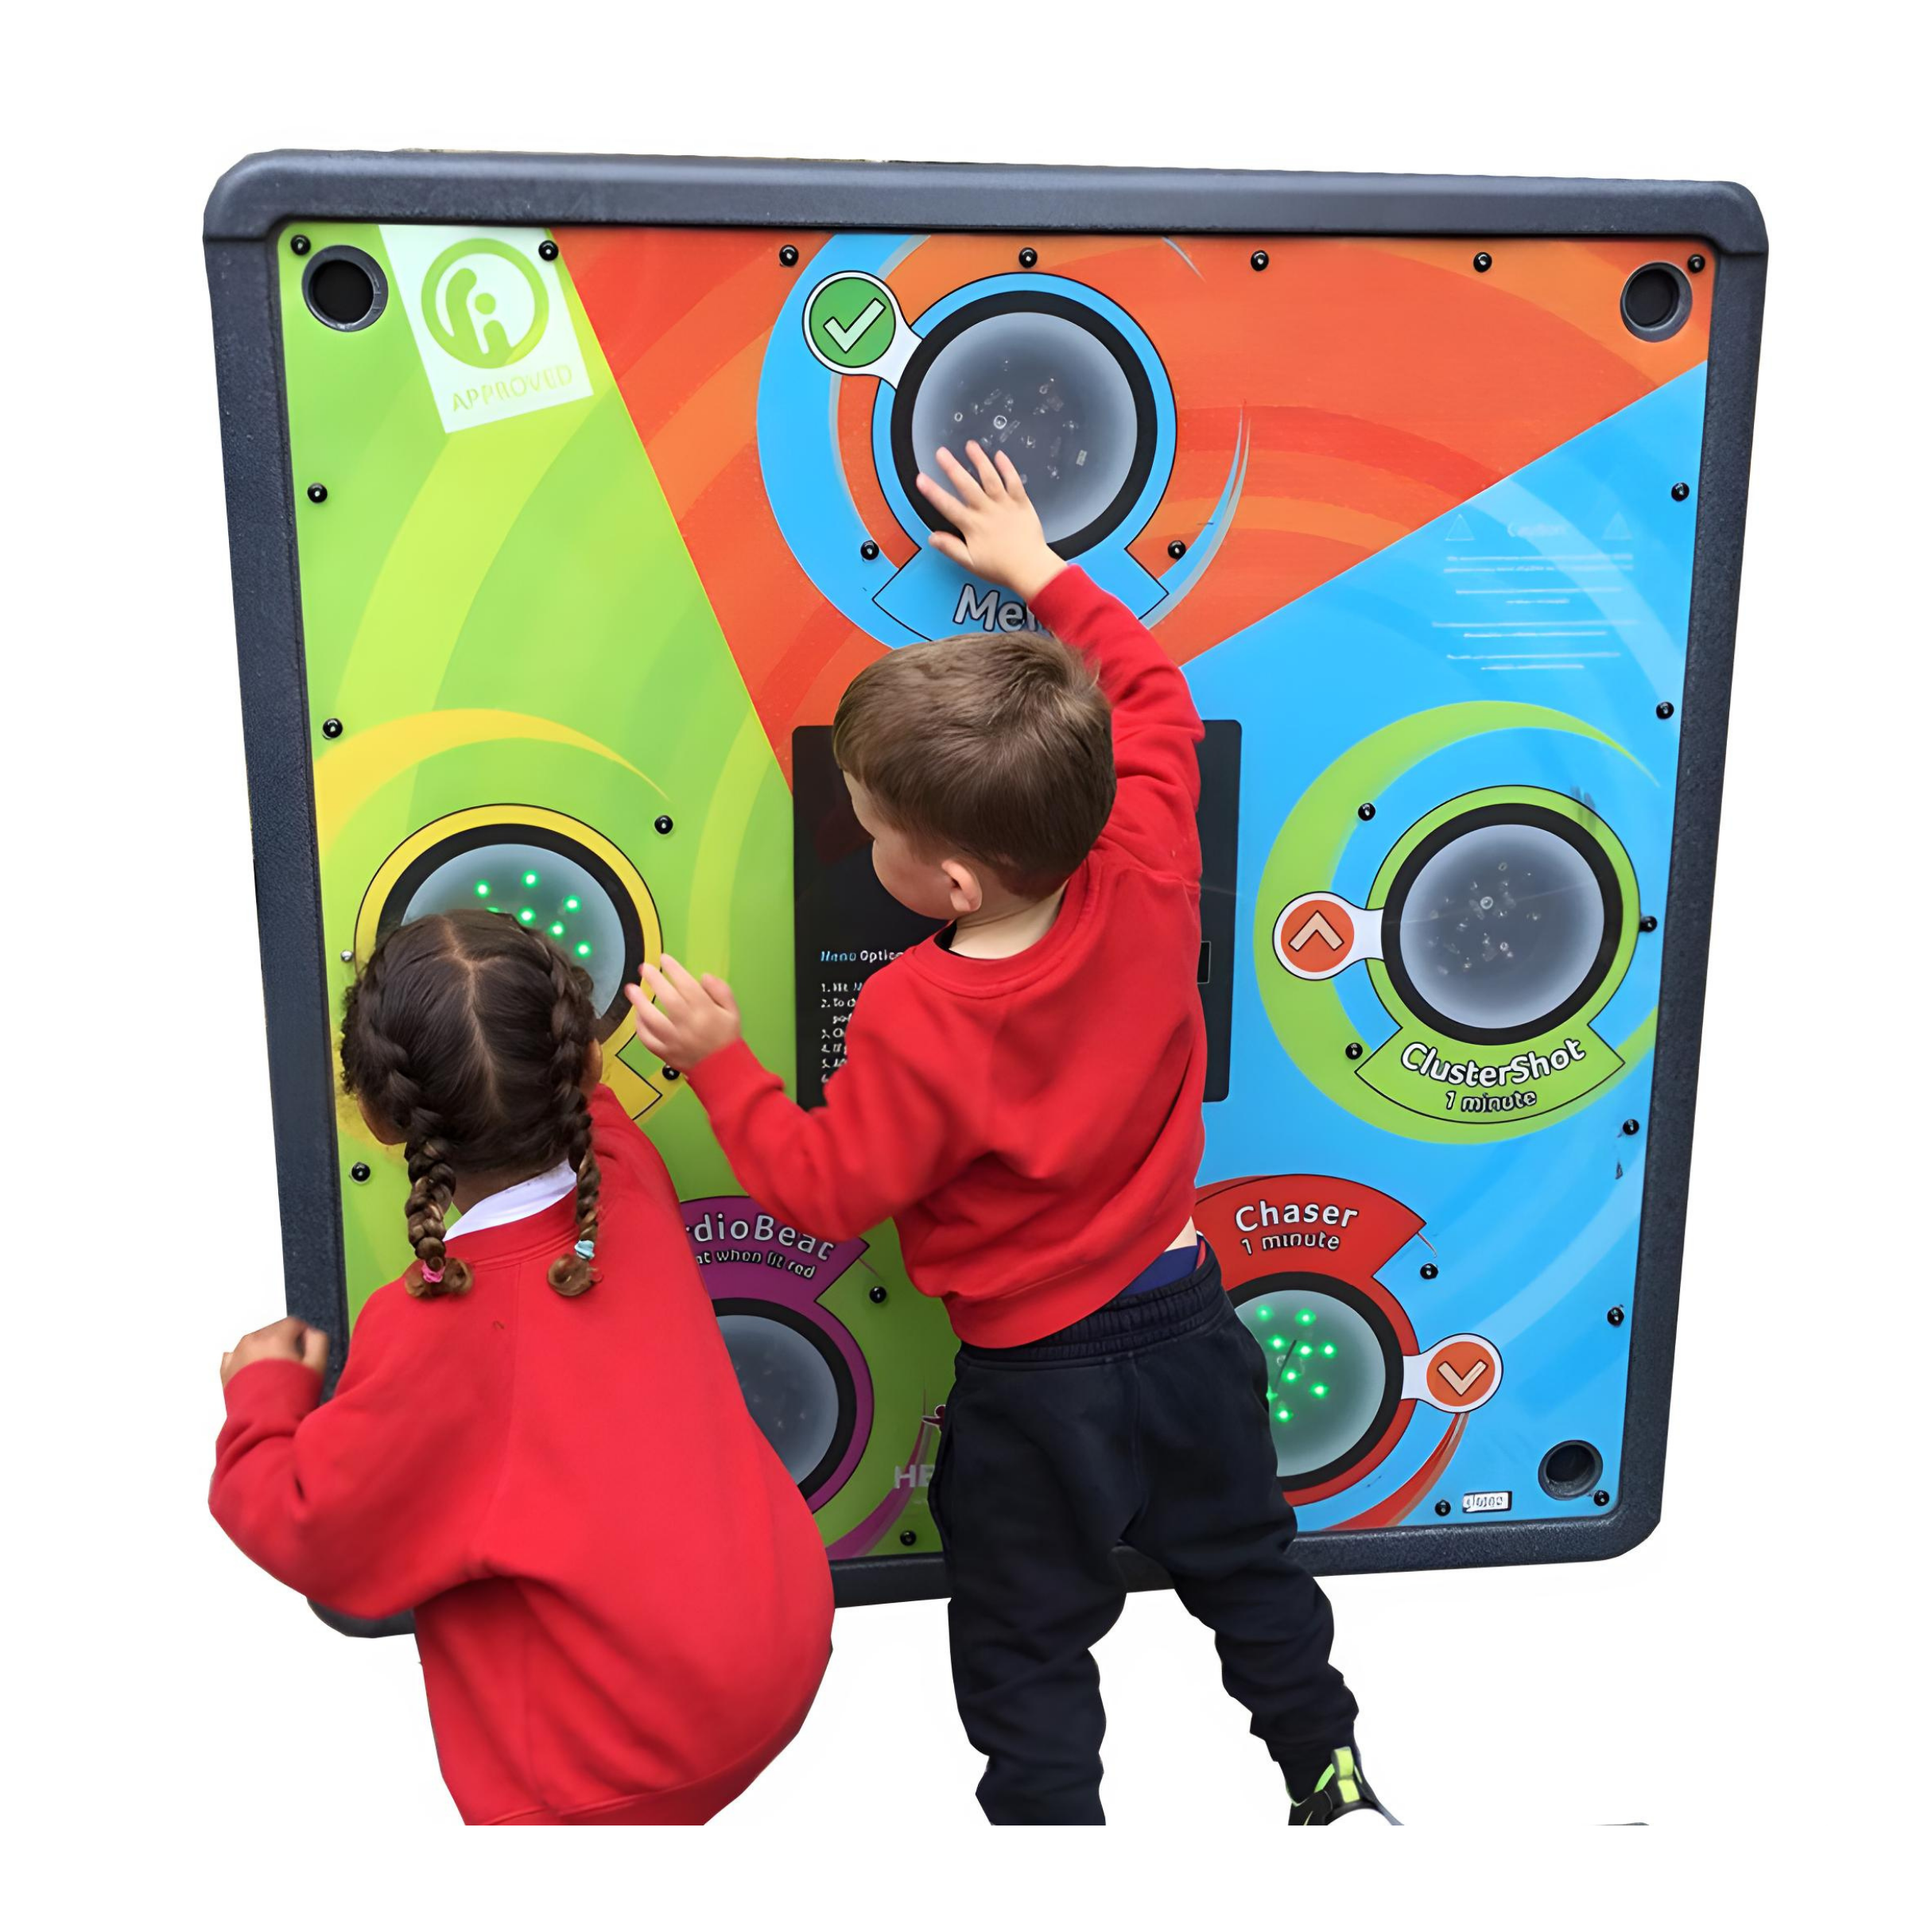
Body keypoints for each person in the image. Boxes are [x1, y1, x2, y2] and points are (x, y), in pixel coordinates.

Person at [627, 442, 1387, 1825]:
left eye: (872, 832)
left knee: (1024, 1641)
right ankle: (1330, 1779)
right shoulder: (1148, 853)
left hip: (1037, 1386)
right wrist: (1042, 569)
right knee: (1252, 1569)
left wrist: (718, 1064)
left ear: (954, 881)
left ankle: (1050, 1842)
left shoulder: (918, 1012)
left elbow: (820, 1189)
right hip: (1189, 1326)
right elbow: (1153, 691)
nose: (864, 848)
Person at [211, 910, 832, 1825]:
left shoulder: (428, 1329)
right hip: (780, 1653)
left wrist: (262, 1396)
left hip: (612, 1772)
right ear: (586, 1065)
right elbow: (585, 1104)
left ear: (379, 1118)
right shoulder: (625, 1177)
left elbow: (312, 1528)